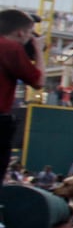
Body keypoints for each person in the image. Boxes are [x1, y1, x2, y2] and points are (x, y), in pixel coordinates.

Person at [1, 9, 44, 183]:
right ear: (20, 32)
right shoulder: (10, 47)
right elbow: (38, 81)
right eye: (29, 33)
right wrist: (39, 50)